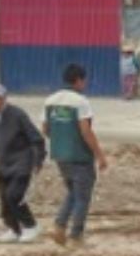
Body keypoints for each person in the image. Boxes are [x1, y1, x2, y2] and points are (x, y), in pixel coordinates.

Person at [41, 63, 108, 246]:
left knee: (72, 192)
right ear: (78, 80)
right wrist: (100, 155)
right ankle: (76, 236)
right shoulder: (80, 102)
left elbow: (46, 129)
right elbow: (86, 131)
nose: (84, 84)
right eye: (84, 81)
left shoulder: (50, 101)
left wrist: (60, 140)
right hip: (79, 157)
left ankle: (59, 226)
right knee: (82, 197)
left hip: (60, 156)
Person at [0, 84, 45, 244]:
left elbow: (36, 139)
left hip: (22, 162)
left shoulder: (17, 115)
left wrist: (38, 160)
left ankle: (31, 226)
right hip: (3, 164)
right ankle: (14, 229)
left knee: (14, 196)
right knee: (5, 202)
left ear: (4, 99)